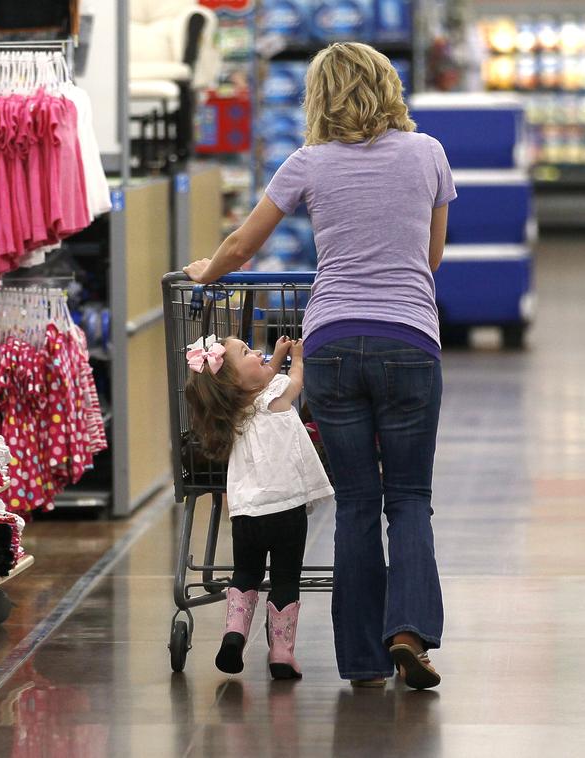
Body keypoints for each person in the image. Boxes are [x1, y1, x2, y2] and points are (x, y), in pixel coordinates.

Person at [184, 41, 454, 690]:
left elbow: (242, 243)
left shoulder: (308, 163)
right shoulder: (429, 155)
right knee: (409, 499)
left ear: (318, 98)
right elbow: (432, 257)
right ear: (389, 86)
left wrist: (207, 273)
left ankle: (362, 662)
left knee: (358, 501)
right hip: (409, 342)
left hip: (331, 344)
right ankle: (409, 631)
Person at [183, 333, 334, 680]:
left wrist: (272, 358)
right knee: (285, 578)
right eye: (247, 353)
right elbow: (295, 382)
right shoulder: (275, 394)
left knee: (246, 573)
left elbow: (259, 378)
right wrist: (294, 358)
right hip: (287, 509)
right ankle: (281, 653)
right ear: (236, 380)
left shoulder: (229, 413)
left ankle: (234, 636)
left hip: (246, 513)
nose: (258, 354)